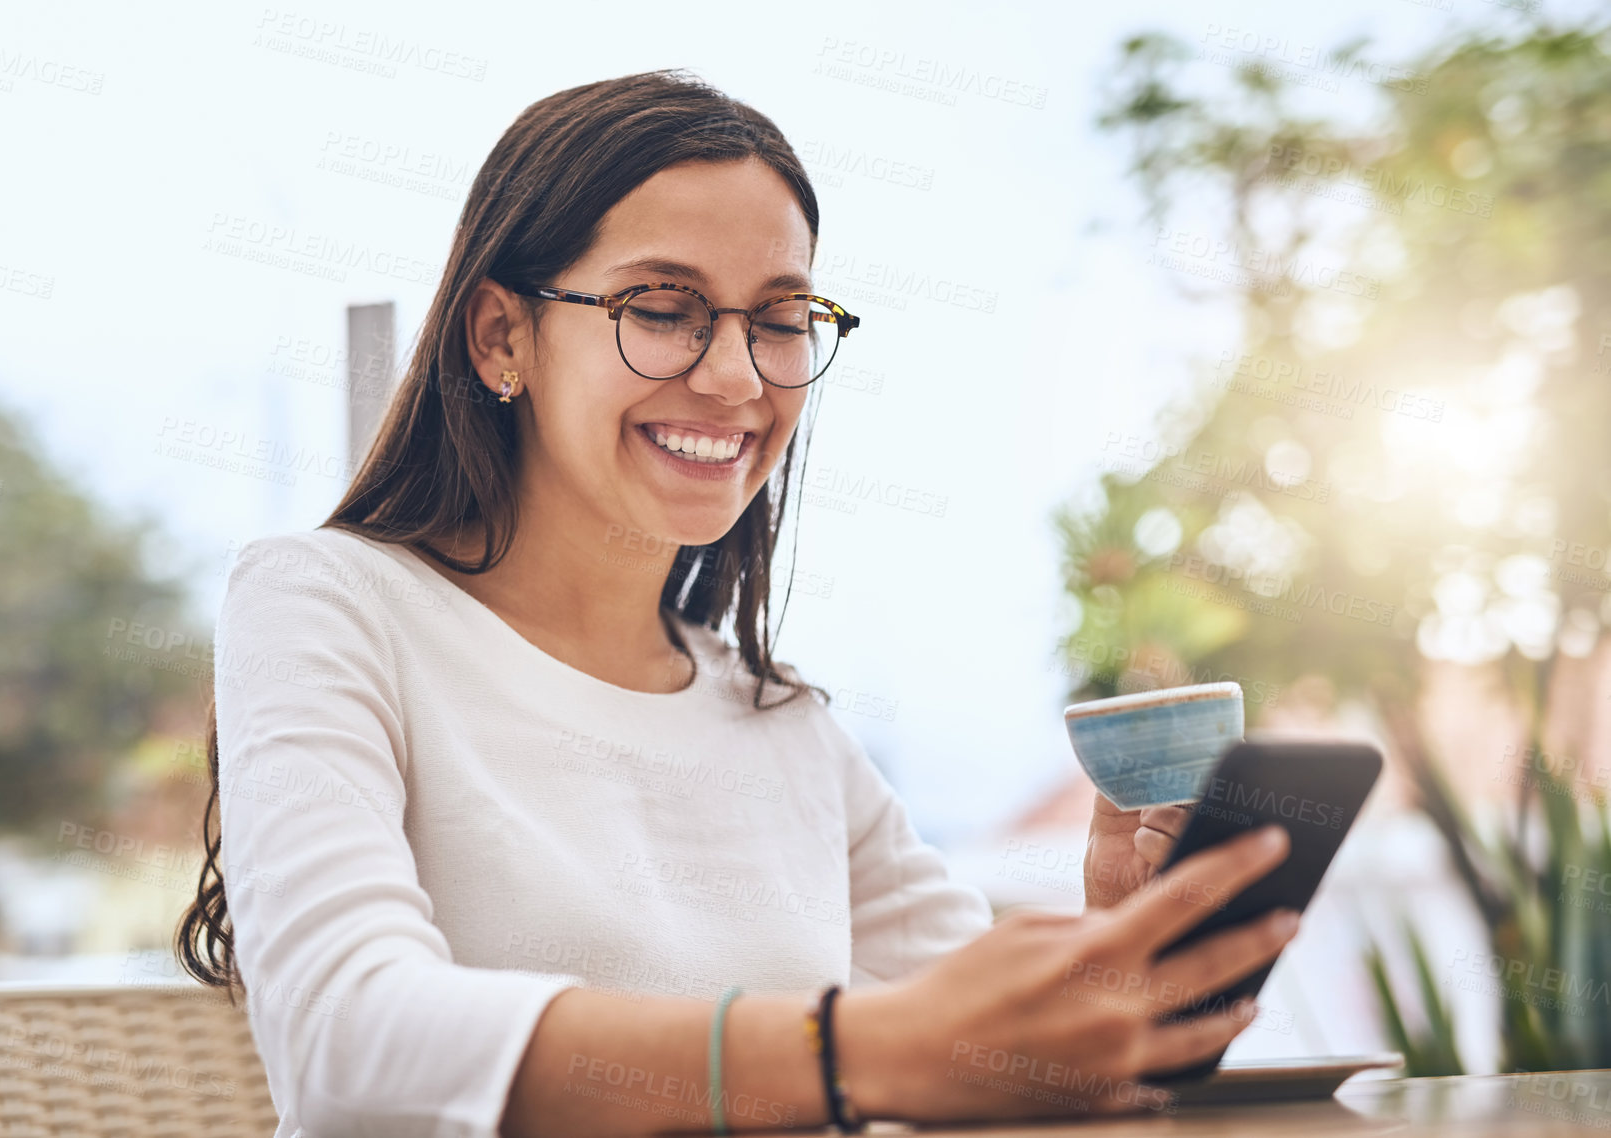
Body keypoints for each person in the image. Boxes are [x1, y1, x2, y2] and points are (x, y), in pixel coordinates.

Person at [176, 68, 1298, 1138]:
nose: (737, 378)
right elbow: (347, 1038)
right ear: (501, 334)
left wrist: (1114, 968)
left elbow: (973, 1048)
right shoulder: (327, 603)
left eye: (778, 317)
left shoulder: (782, 723)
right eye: (662, 308)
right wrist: (842, 1055)